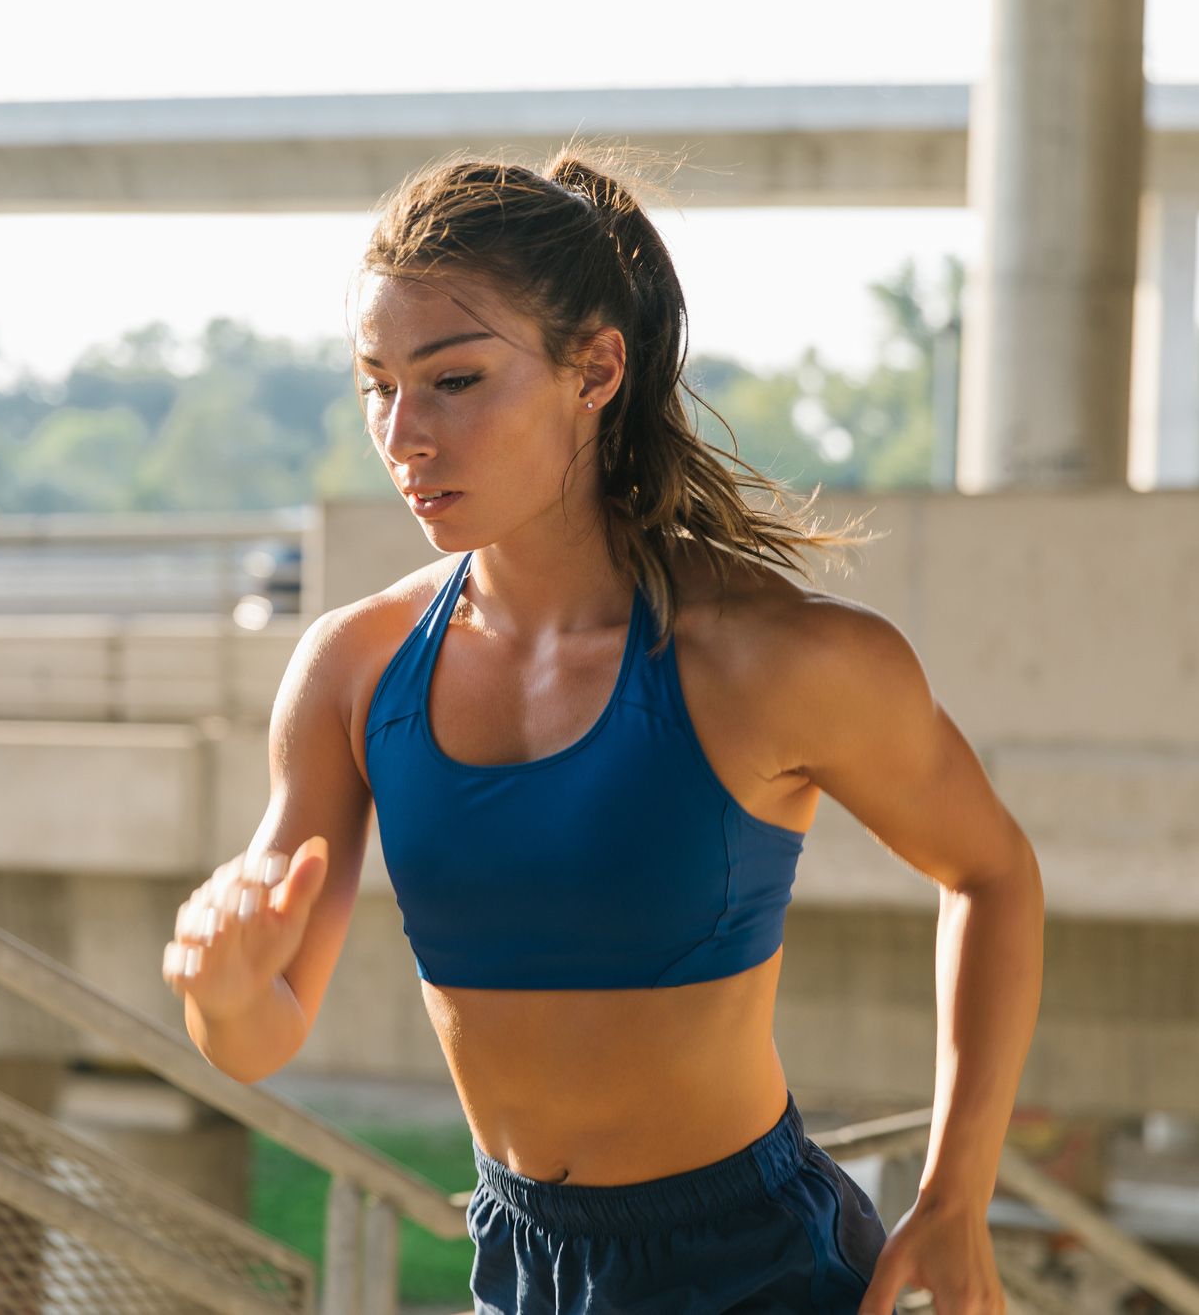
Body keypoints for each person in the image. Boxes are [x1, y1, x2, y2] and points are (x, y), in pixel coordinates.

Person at [163, 141, 1045, 1315]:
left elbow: (991, 870)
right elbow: (264, 1033)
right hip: (520, 1266)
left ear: (596, 369)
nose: (402, 433)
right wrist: (220, 995)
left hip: (758, 1269)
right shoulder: (353, 672)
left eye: (456, 380)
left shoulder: (777, 658)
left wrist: (956, 1193)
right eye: (377, 382)